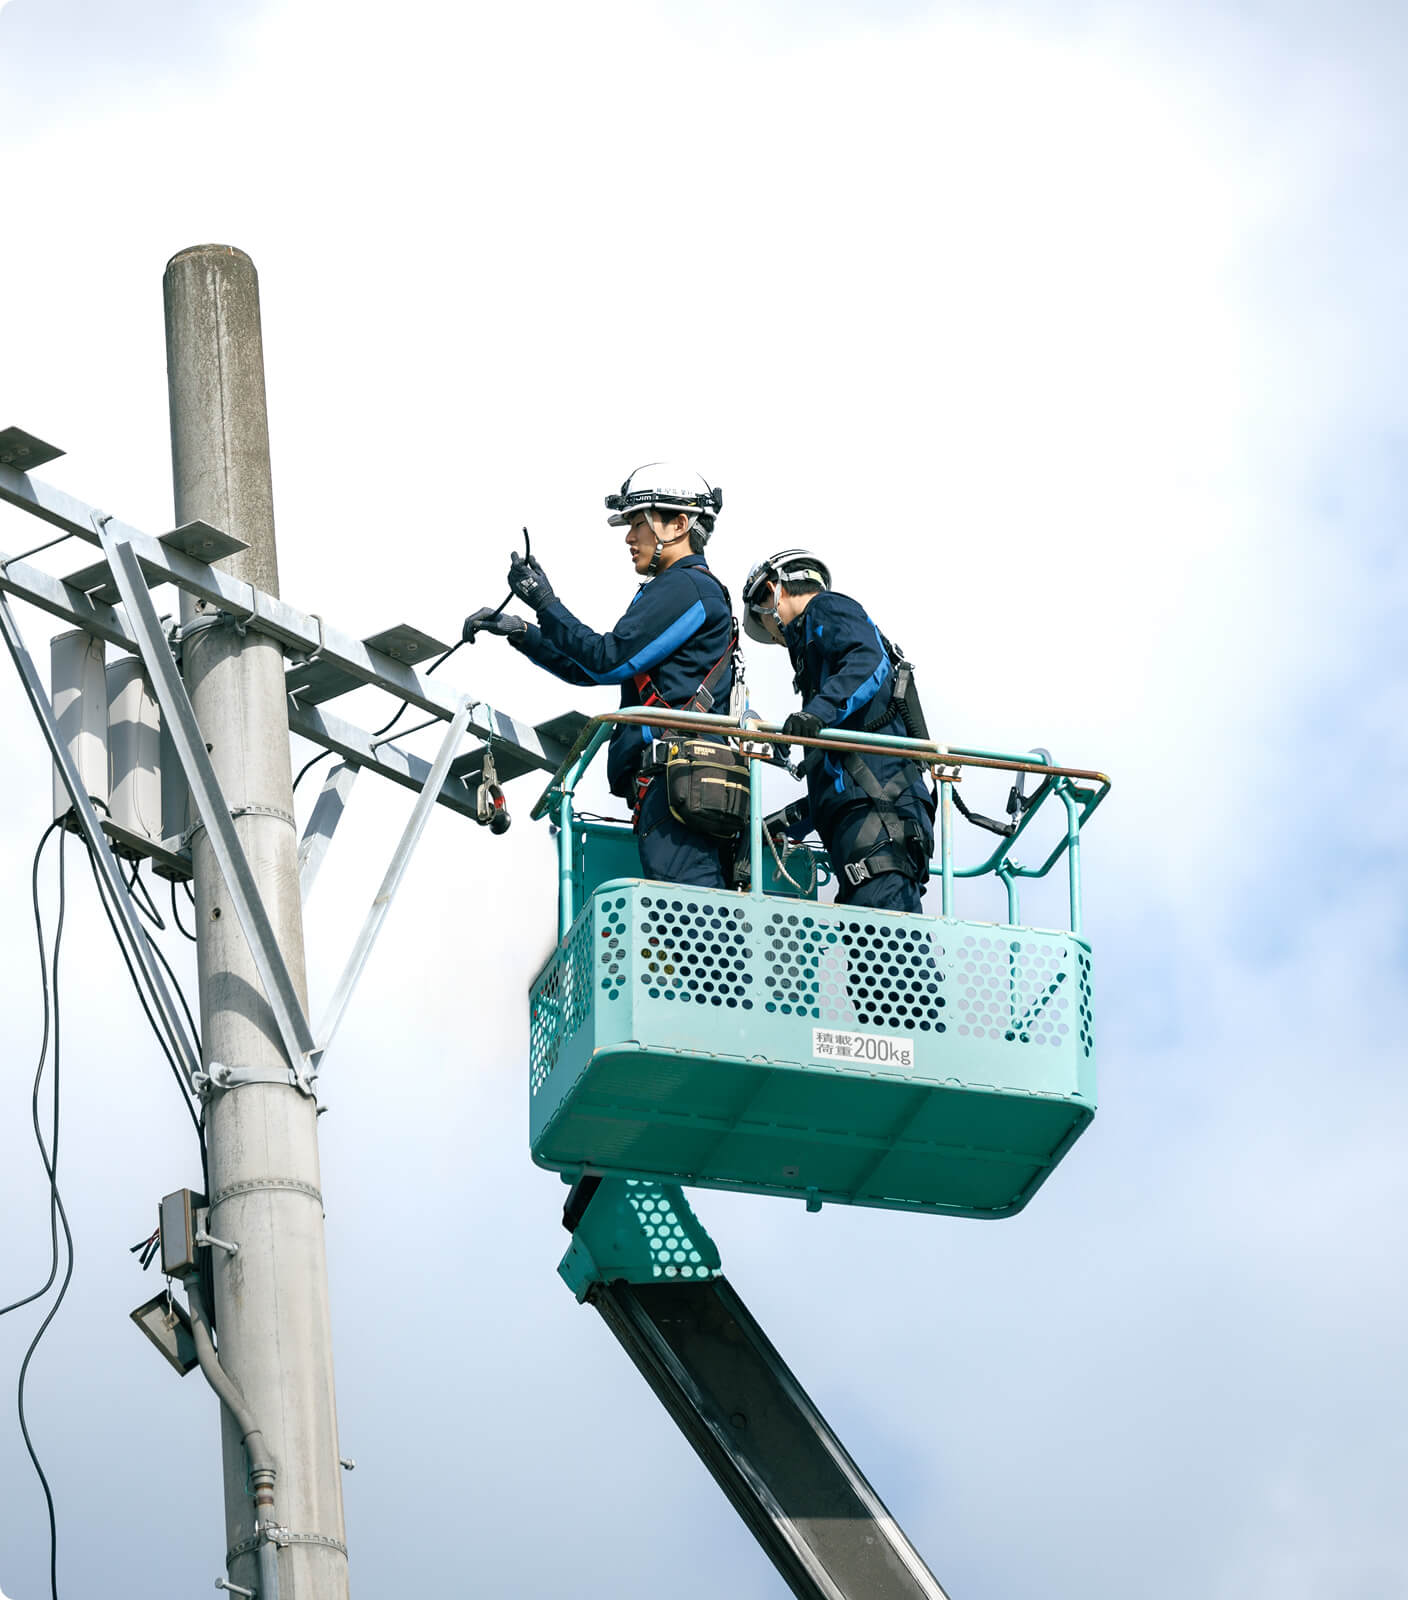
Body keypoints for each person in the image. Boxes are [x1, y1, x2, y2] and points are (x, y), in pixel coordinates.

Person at [464, 462, 737, 888]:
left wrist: (544, 602)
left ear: (679, 523)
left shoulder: (687, 588)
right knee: (685, 931)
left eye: (637, 524)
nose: (629, 538)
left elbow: (607, 659)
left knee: (692, 932)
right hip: (671, 787)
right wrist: (524, 633)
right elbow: (591, 667)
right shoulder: (676, 590)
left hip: (679, 785)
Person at [741, 548, 934, 912]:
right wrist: (784, 825)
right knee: (877, 957)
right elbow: (841, 777)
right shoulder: (823, 668)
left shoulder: (827, 608)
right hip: (869, 823)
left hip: (881, 821)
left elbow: (868, 660)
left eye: (763, 621)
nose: (776, 637)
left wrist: (817, 712)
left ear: (772, 590)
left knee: (890, 957)